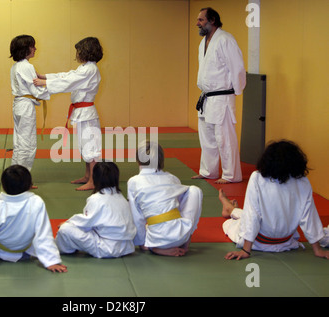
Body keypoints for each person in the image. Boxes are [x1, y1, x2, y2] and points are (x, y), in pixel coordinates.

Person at [220, 140, 329, 260]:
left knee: (230, 223)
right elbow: (308, 217)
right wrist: (318, 250)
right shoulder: (302, 181)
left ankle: (231, 210)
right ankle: (231, 209)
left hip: (258, 242)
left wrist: (246, 250)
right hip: (285, 242)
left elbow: (252, 215)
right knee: (250, 215)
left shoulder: (257, 177)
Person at [0, 165, 67, 273]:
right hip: (26, 252)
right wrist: (51, 261)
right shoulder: (37, 202)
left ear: (4, 186)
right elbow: (43, 233)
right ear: (30, 185)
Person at [34, 37, 103, 191]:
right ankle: (87, 176)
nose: (77, 54)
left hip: (87, 114)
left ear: (86, 51)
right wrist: (47, 77)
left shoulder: (90, 69)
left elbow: (70, 82)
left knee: (91, 147)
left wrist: (46, 84)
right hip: (81, 112)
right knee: (85, 146)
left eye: (79, 51)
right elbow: (68, 76)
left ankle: (93, 180)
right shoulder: (85, 68)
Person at [192, 7, 246, 184]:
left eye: (201, 20)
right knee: (207, 138)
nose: (197, 23)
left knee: (224, 138)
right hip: (207, 97)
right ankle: (209, 171)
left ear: (212, 20)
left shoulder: (225, 40)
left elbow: (237, 67)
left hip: (222, 96)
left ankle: (231, 175)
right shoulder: (203, 43)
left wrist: (235, 91)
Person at [127, 141, 203, 256]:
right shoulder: (172, 178)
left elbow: (136, 217)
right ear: (161, 160)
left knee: (148, 219)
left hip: (156, 240)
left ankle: (155, 248)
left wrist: (143, 244)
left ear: (138, 160)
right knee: (195, 191)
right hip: (181, 236)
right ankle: (186, 243)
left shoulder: (134, 182)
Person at [55, 162, 136, 258]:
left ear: (95, 178)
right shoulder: (121, 197)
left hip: (106, 248)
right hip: (126, 247)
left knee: (65, 230)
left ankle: (61, 249)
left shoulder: (96, 199)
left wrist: (68, 223)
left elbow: (86, 223)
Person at [9, 35, 50, 177]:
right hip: (25, 106)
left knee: (19, 142)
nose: (35, 49)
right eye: (33, 46)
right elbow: (36, 90)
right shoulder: (27, 66)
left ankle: (14, 175)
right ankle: (21, 178)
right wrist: (51, 87)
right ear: (25, 49)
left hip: (19, 104)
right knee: (28, 144)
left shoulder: (15, 66)